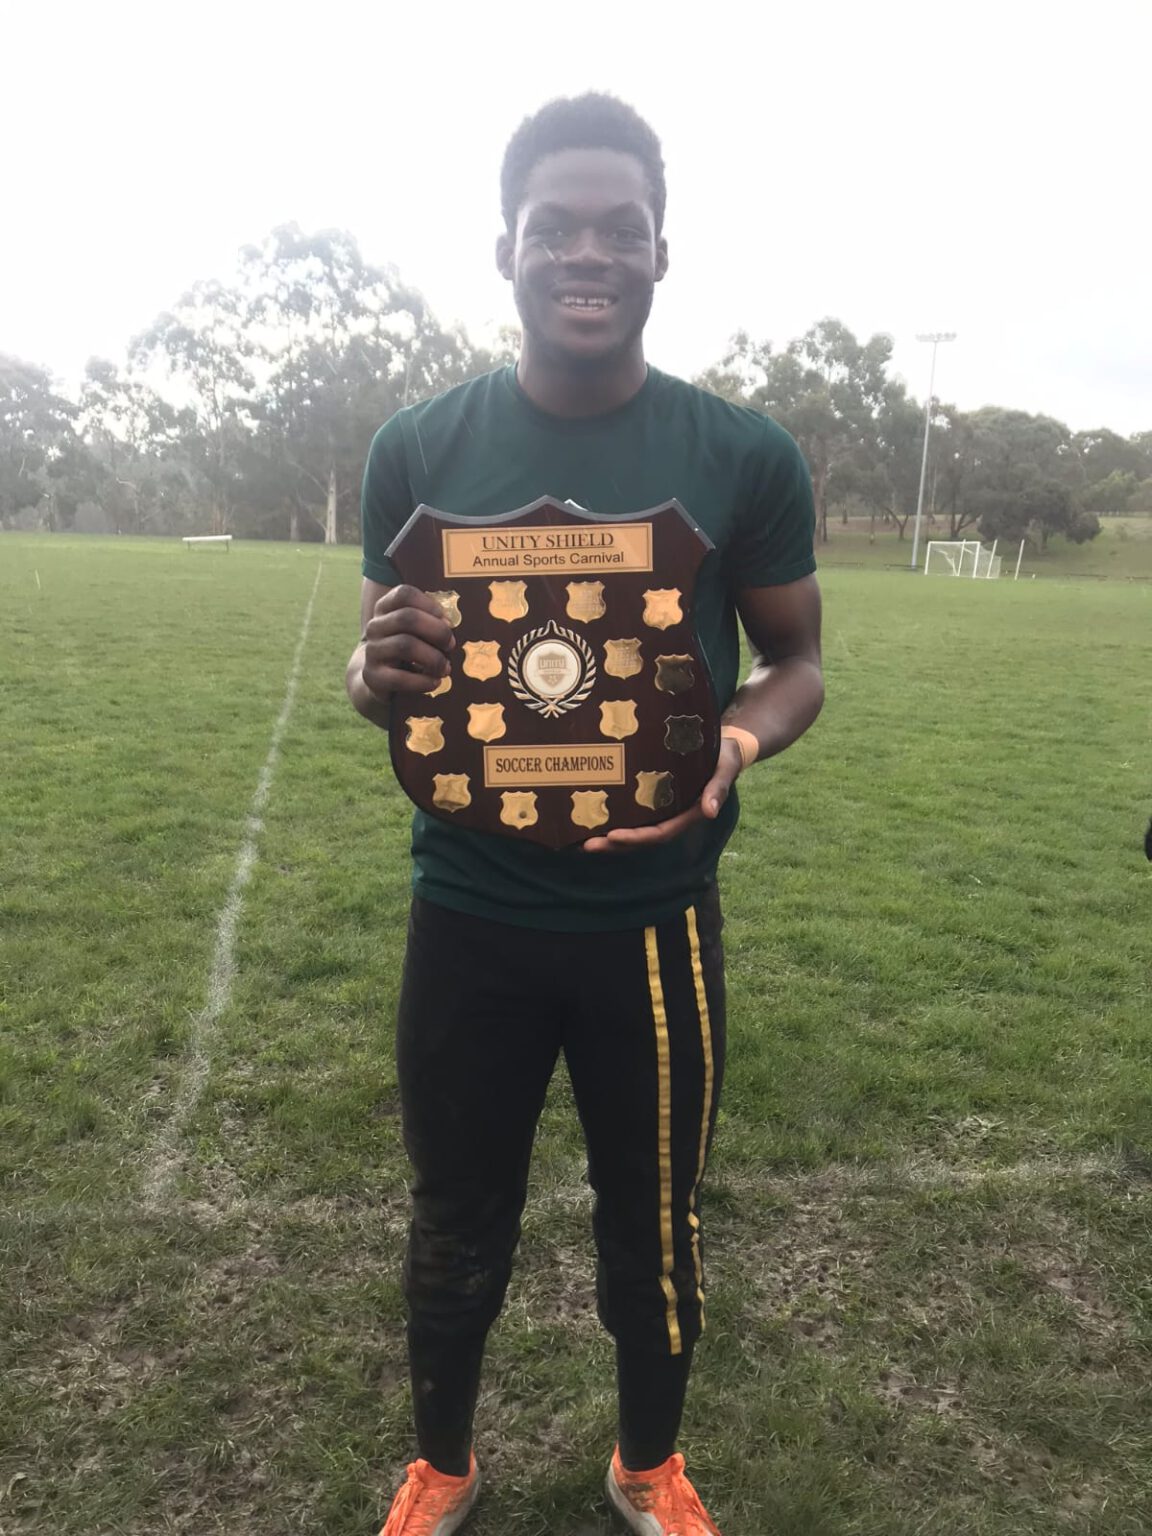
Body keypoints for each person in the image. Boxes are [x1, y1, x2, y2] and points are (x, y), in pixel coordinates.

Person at [346, 92, 824, 1536]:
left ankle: (648, 1462)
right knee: (455, 1221)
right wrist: (370, 680)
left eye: (621, 228)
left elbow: (796, 663)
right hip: (471, 911)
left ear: (663, 254)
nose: (588, 253)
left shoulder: (742, 453)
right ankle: (443, 1462)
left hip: (652, 924)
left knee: (655, 1224)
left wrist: (737, 736)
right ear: (506, 249)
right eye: (556, 227)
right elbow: (405, 688)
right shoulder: (417, 449)